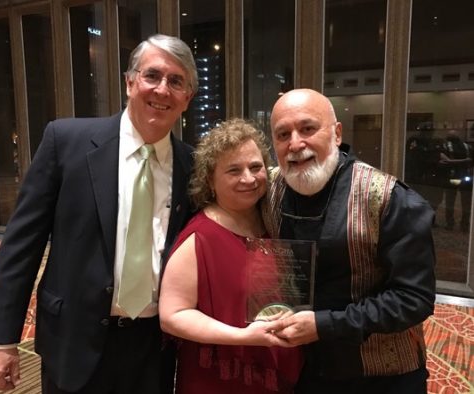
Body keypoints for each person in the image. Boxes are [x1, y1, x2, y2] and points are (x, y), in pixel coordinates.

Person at [0, 34, 197, 394]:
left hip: (153, 348)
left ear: (187, 98)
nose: (162, 90)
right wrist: (0, 339)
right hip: (73, 340)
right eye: (152, 76)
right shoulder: (66, 142)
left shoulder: (191, 165)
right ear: (130, 82)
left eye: (176, 82)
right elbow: (21, 246)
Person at [265, 89, 436, 394]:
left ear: (336, 133)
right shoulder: (268, 189)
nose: (295, 144)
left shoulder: (387, 198)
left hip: (381, 375)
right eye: (282, 134)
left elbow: (413, 298)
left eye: (307, 128)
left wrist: (324, 325)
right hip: (305, 368)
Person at [159, 118, 303, 393]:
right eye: (234, 170)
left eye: (256, 167)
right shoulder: (199, 237)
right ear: (210, 180)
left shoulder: (275, 225)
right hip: (219, 380)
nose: (248, 178)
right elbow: (173, 315)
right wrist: (244, 337)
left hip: (276, 376)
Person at [440, 129, 473, 232]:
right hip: (464, 177)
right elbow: (469, 161)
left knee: (452, 201)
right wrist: (464, 161)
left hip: (453, 177)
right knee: (464, 202)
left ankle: (451, 224)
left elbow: (446, 160)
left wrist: (451, 162)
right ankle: (464, 225)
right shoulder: (468, 147)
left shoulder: (445, 146)